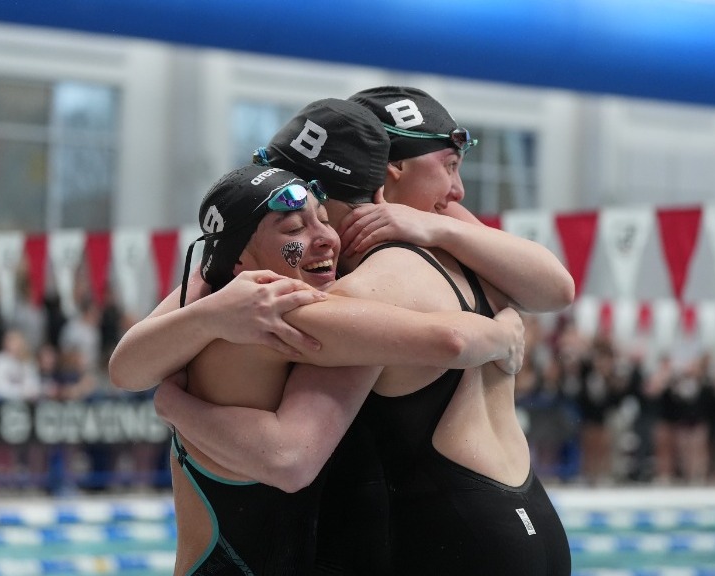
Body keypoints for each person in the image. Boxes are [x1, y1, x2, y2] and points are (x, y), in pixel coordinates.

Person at [146, 89, 575, 575]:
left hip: (457, 537)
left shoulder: (361, 292)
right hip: (532, 521)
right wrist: (498, 327)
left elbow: (291, 456)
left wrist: (173, 404)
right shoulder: (470, 258)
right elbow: (556, 288)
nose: (457, 193)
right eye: (449, 167)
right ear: (389, 174)